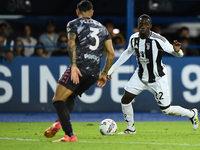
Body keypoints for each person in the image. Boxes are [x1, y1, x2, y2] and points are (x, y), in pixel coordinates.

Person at [107, 14, 199, 134]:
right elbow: (126, 53)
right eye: (141, 24)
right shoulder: (134, 38)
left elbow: (177, 53)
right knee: (125, 100)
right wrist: (112, 68)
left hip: (157, 79)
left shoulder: (158, 39)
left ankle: (192, 113)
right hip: (140, 77)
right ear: (138, 25)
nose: (143, 26)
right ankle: (131, 129)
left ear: (150, 26)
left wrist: (178, 51)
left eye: (145, 24)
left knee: (166, 110)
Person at [43, 0, 115, 142]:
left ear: (77, 12)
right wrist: (104, 73)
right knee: (70, 97)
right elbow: (111, 53)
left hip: (80, 68)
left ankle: (70, 135)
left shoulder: (73, 24)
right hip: (93, 73)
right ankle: (59, 122)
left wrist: (74, 66)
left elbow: (71, 44)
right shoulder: (103, 28)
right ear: (92, 13)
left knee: (58, 100)